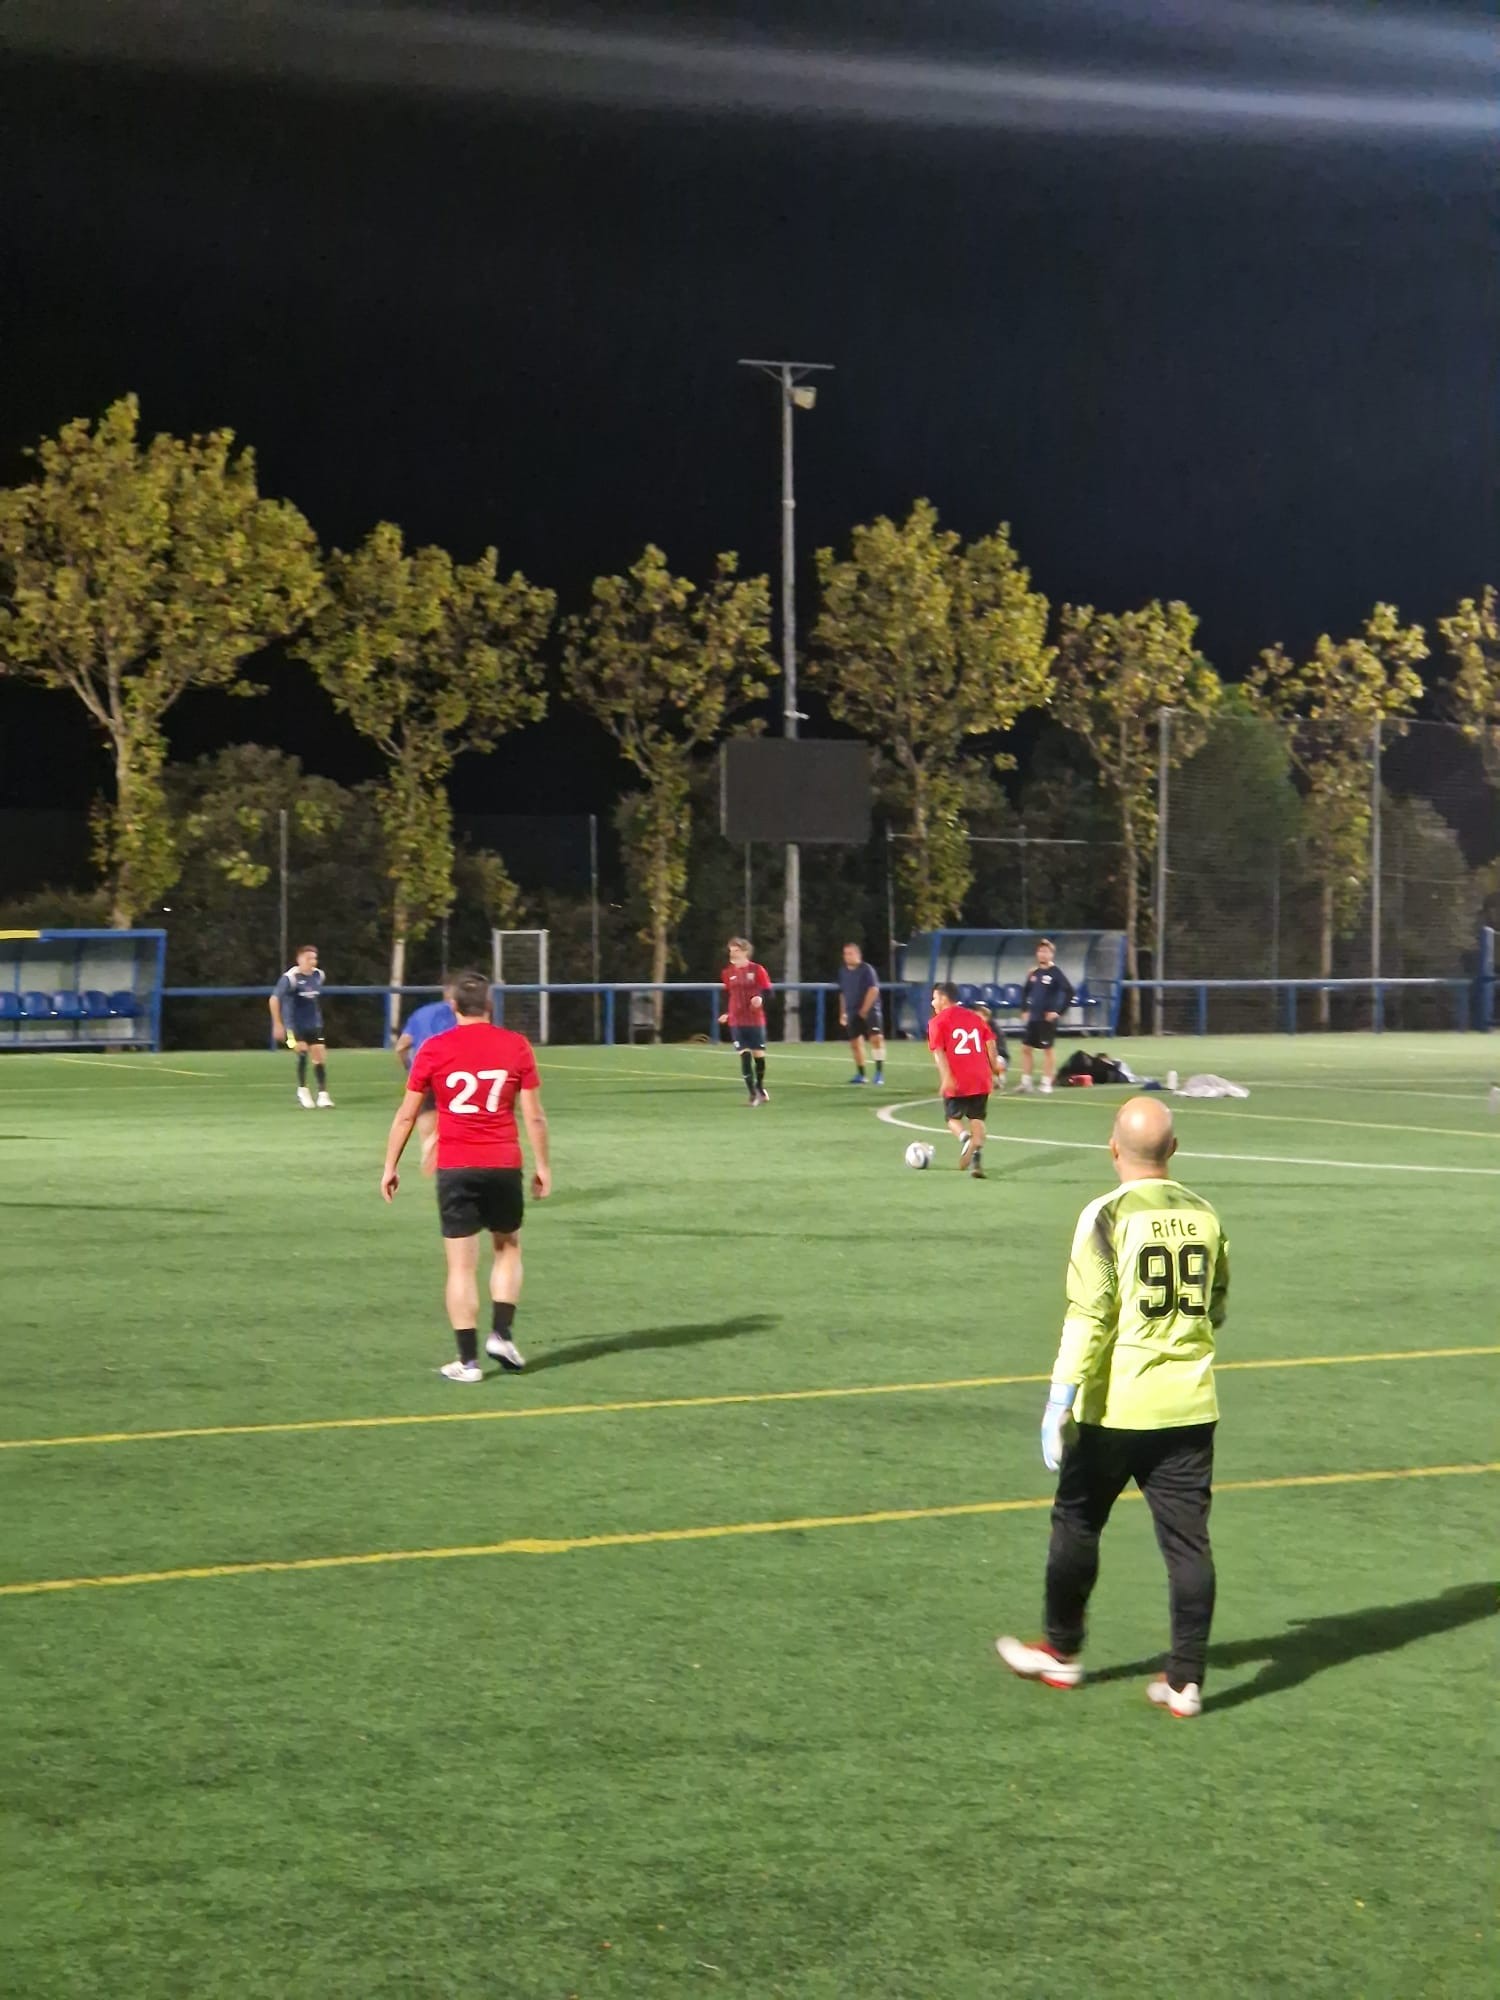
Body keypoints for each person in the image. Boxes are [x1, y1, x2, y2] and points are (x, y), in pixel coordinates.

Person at [996, 1096, 1230, 1719]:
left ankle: (1061, 1651)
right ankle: (1185, 1682)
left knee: (1077, 1520)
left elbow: (1089, 1315)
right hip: (1189, 1406)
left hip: (1117, 1407)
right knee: (1188, 1545)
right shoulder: (1205, 1214)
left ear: (1112, 1148)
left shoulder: (1106, 1215)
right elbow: (1217, 1303)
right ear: (1173, 1150)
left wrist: (1060, 1397)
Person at [380, 969, 551, 1384]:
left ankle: (468, 1362)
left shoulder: (434, 1049)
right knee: (507, 1248)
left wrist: (390, 1166)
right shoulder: (516, 1045)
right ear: (489, 1005)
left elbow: (407, 1115)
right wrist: (543, 1166)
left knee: (460, 1266)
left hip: (455, 1165)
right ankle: (502, 1334)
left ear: (453, 1005)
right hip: (503, 1163)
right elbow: (533, 1115)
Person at [928, 982, 1003, 1178]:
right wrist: (995, 1067)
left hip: (958, 1078)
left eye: (934, 998)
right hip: (981, 1077)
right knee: (977, 1118)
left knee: (952, 1118)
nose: (932, 1002)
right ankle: (976, 1162)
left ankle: (965, 1139)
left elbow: (939, 1053)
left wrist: (946, 1078)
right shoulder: (975, 1017)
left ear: (944, 998)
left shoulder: (937, 1022)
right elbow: (990, 1042)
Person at [394, 982, 457, 1172]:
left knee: (426, 1120)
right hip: (451, 1076)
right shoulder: (460, 1016)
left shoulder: (421, 1013)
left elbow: (401, 1047)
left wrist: (410, 1070)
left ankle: (430, 1152)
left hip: (424, 1074)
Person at [269, 945, 333, 1108]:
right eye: (308, 958)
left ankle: (323, 1094)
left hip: (314, 1024)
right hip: (293, 1027)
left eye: (314, 958)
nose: (312, 961)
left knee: (319, 1055)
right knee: (301, 1051)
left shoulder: (319, 975)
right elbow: (274, 999)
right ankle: (303, 1090)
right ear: (299, 960)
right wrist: (277, 1023)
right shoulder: (290, 978)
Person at [1016, 938, 1075, 1095]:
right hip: (1033, 1017)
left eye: (1046, 951)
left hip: (1047, 1019)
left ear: (1052, 954)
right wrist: (1025, 1009)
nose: (1043, 954)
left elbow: (1070, 992)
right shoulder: (1034, 972)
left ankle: (1046, 1082)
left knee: (1048, 1050)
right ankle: (1026, 1082)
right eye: (1040, 951)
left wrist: (1058, 1011)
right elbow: (1025, 991)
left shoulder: (1056, 972)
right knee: (1025, 1048)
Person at [720, 937, 773, 1105]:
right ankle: (752, 1094)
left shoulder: (757, 970)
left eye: (736, 951)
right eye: (731, 951)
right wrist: (726, 1013)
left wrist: (760, 999)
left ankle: (760, 1087)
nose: (732, 954)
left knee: (759, 1057)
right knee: (744, 1055)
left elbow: (768, 992)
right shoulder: (727, 972)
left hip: (755, 1020)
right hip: (736, 1020)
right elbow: (727, 994)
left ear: (745, 952)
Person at [837, 943, 885, 1085]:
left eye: (850, 953)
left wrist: (864, 1010)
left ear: (858, 955)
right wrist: (843, 1012)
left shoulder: (866, 969)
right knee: (855, 1043)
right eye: (845, 953)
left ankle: (879, 1073)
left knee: (876, 1039)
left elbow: (873, 990)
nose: (847, 956)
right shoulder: (843, 971)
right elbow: (842, 994)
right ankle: (861, 1074)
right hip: (852, 1011)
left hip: (870, 1010)